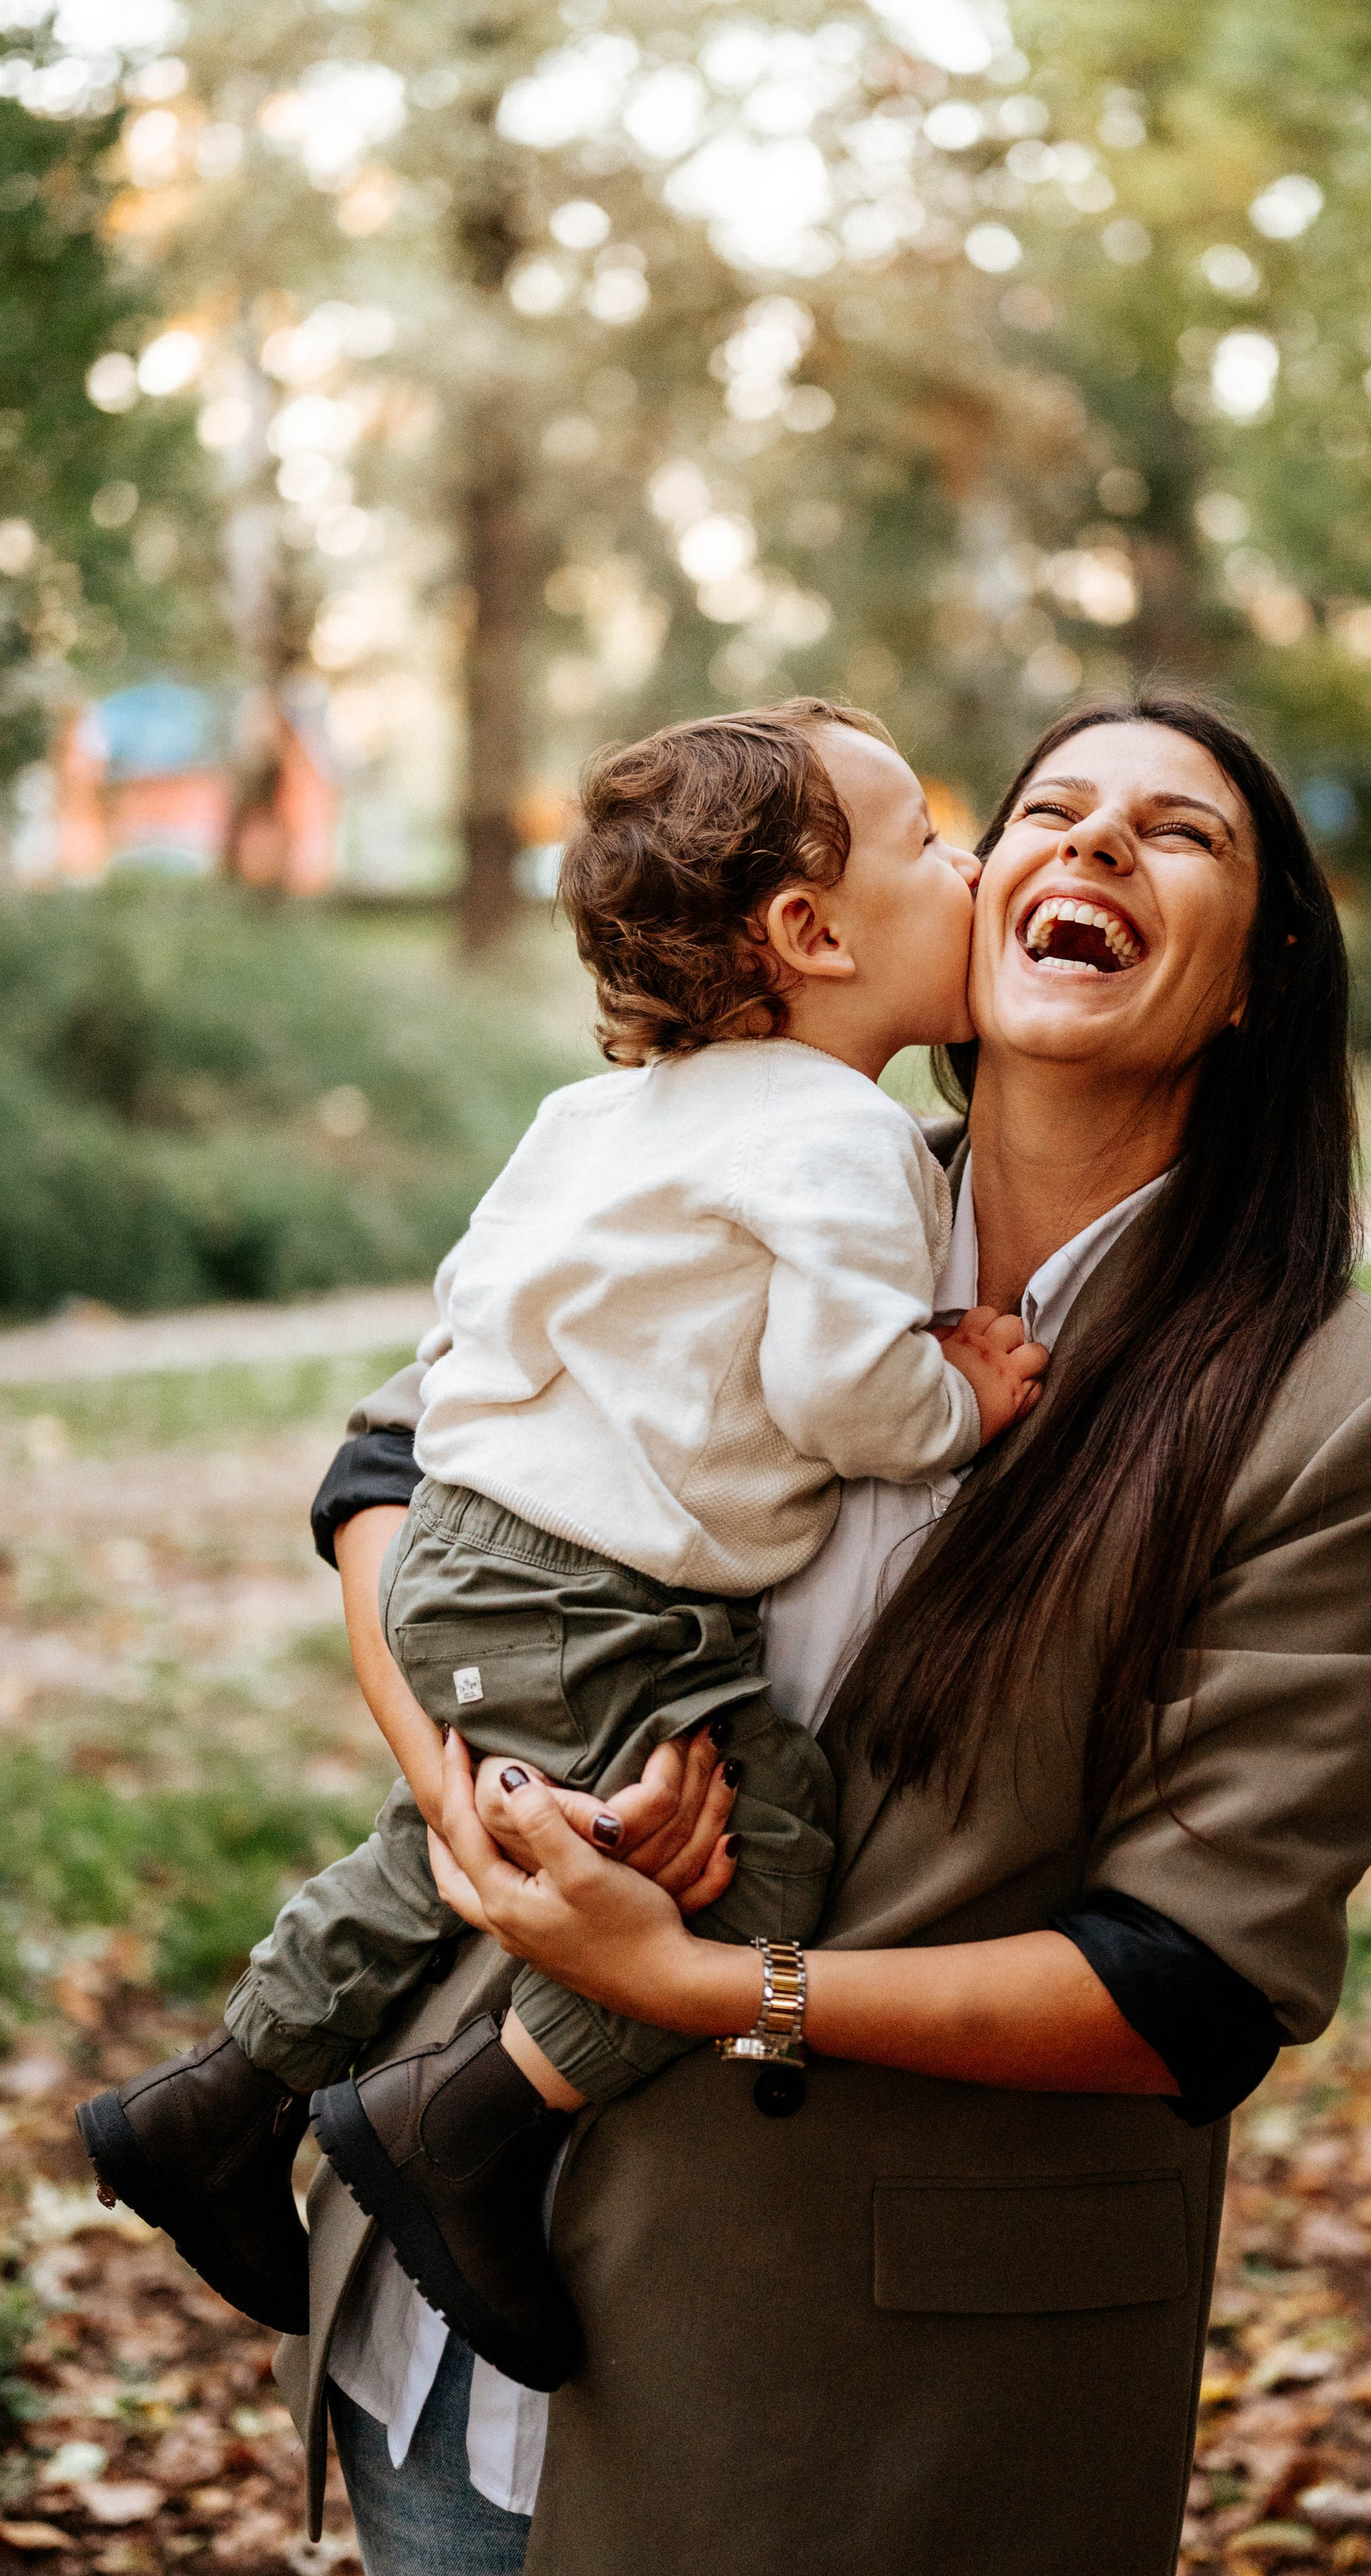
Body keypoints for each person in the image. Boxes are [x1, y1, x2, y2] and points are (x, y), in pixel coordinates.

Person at [283, 693, 1371, 2576]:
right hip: (443, 2345)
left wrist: (692, 1981)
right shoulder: (749, 1164)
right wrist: (494, 1810)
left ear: (1260, 979)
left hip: (857, 2414)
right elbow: (387, 1471)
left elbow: (1190, 1985)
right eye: (1047, 812)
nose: (1089, 845)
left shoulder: (1339, 1409)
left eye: (1177, 835)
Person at [75, 699, 1047, 2396]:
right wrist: (955, 1395)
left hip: (469, 1541)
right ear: (812, 934)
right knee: (770, 1843)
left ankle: (217, 2100)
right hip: (591, 1584)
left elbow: (465, 1333)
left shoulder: (597, 1121)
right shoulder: (844, 1137)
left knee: (420, 1850)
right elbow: (839, 1395)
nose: (966, 866)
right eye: (931, 842)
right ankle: (476, 2120)